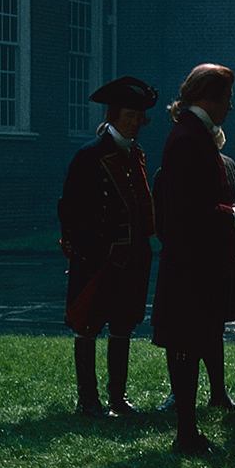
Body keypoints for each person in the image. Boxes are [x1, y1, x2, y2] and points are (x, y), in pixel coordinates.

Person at [151, 64, 235, 456]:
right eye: (227, 97)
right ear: (207, 98)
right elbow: (186, 209)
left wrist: (233, 209)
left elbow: (200, 199)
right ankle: (186, 434)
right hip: (190, 263)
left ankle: (188, 431)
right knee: (185, 344)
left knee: (192, 341)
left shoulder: (194, 135)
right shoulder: (188, 138)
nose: (231, 106)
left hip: (196, 261)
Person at [57, 75, 159, 419]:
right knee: (87, 324)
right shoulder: (90, 154)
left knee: (123, 325)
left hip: (132, 256)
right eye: (130, 115)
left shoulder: (135, 154)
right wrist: (77, 245)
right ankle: (88, 400)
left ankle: (118, 398)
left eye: (140, 117)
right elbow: (69, 206)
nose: (136, 122)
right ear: (114, 115)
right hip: (98, 255)